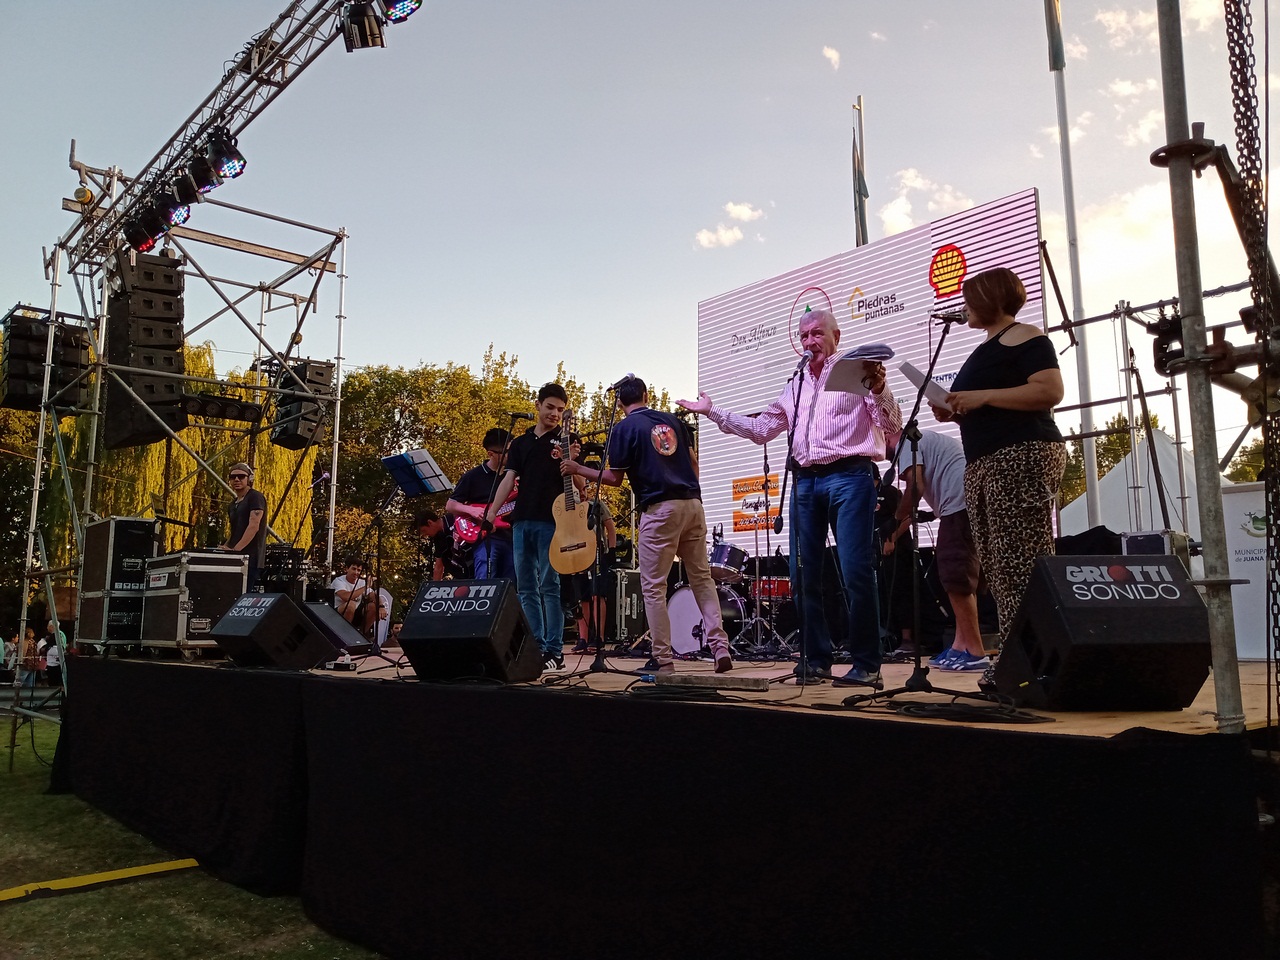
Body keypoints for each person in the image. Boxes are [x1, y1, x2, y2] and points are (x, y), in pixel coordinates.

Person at [680, 309, 901, 686]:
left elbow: (892, 425)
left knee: (856, 572)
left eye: (817, 334)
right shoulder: (796, 383)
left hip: (850, 475)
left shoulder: (858, 372)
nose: (810, 342)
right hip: (804, 482)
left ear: (836, 336)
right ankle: (815, 661)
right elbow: (763, 428)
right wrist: (713, 411)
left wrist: (879, 389)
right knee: (803, 577)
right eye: (804, 336)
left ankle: (867, 664)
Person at [931, 266, 1066, 690]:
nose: (964, 306)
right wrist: (953, 408)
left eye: (970, 297)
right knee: (999, 567)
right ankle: (1016, 662)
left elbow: (1050, 391)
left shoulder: (1026, 335)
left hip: (1021, 454)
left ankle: (1031, 666)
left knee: (1018, 563)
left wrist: (983, 395)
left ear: (990, 298)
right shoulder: (986, 346)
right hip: (985, 460)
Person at [564, 377, 733, 675]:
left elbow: (614, 479)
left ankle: (663, 659)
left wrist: (578, 468)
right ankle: (720, 646)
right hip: (692, 504)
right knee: (702, 580)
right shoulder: (672, 421)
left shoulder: (624, 428)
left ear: (619, 402)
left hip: (659, 508)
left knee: (654, 587)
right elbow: (694, 464)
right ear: (646, 394)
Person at [486, 383, 580, 673]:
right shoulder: (522, 442)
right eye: (550, 407)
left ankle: (554, 650)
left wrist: (573, 461)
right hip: (521, 520)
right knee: (526, 588)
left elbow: (581, 487)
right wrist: (490, 513)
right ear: (538, 405)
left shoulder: (567, 439)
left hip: (553, 522)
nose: (554, 413)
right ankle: (535, 646)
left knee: (549, 586)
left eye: (560, 409)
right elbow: (509, 478)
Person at [883, 429, 986, 671]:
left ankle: (976, 652)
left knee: (955, 576)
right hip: (963, 505)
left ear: (888, 435)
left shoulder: (908, 441)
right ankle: (961, 646)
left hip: (958, 507)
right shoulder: (923, 439)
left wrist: (896, 520)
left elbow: (915, 487)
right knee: (960, 580)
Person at [446, 428, 517, 579]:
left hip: (512, 536)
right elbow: (451, 505)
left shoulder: (516, 476)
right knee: (485, 578)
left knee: (511, 583)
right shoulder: (473, 476)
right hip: (486, 537)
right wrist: (472, 511)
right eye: (506, 451)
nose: (510, 455)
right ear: (491, 453)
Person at [565, 478, 617, 655]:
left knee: (597, 594)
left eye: (584, 488)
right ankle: (583, 638)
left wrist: (611, 550)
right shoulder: (571, 509)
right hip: (577, 555)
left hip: (597, 554)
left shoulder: (596, 505)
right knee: (582, 597)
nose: (581, 492)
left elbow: (610, 527)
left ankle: (599, 637)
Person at [221, 462, 267, 590]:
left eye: (241, 476)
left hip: (250, 558)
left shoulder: (255, 497)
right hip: (236, 556)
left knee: (243, 593)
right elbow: (235, 530)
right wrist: (226, 547)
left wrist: (236, 551)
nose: (236, 479)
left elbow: (254, 526)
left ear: (249, 479)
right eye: (232, 477)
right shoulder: (232, 504)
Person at [414, 509, 466, 581]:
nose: (425, 535)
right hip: (463, 575)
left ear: (430, 523)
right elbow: (439, 566)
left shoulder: (454, 518)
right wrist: (435, 588)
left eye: (424, 531)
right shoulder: (438, 538)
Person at [331, 557, 372, 624]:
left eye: (359, 570)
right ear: (347, 569)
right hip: (337, 613)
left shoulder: (361, 582)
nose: (356, 572)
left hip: (355, 613)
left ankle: (361, 633)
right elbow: (346, 597)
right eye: (354, 569)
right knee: (351, 604)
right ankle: (345, 632)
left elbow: (372, 595)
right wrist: (366, 587)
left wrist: (381, 606)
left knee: (372, 607)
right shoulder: (338, 581)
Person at [41, 620, 66, 687]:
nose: (47, 628)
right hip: (57, 665)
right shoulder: (59, 635)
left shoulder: (58, 635)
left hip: (53, 666)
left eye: (48, 626)